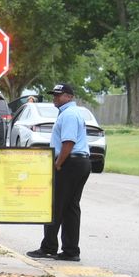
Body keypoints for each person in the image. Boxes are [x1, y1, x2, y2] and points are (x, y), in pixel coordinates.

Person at [27, 83, 91, 262]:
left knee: (55, 205)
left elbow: (68, 142)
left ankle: (49, 247)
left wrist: (58, 163)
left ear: (69, 96)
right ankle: (70, 250)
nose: (55, 97)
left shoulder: (69, 114)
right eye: (54, 94)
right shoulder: (71, 113)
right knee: (70, 208)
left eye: (59, 94)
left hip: (70, 163)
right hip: (79, 162)